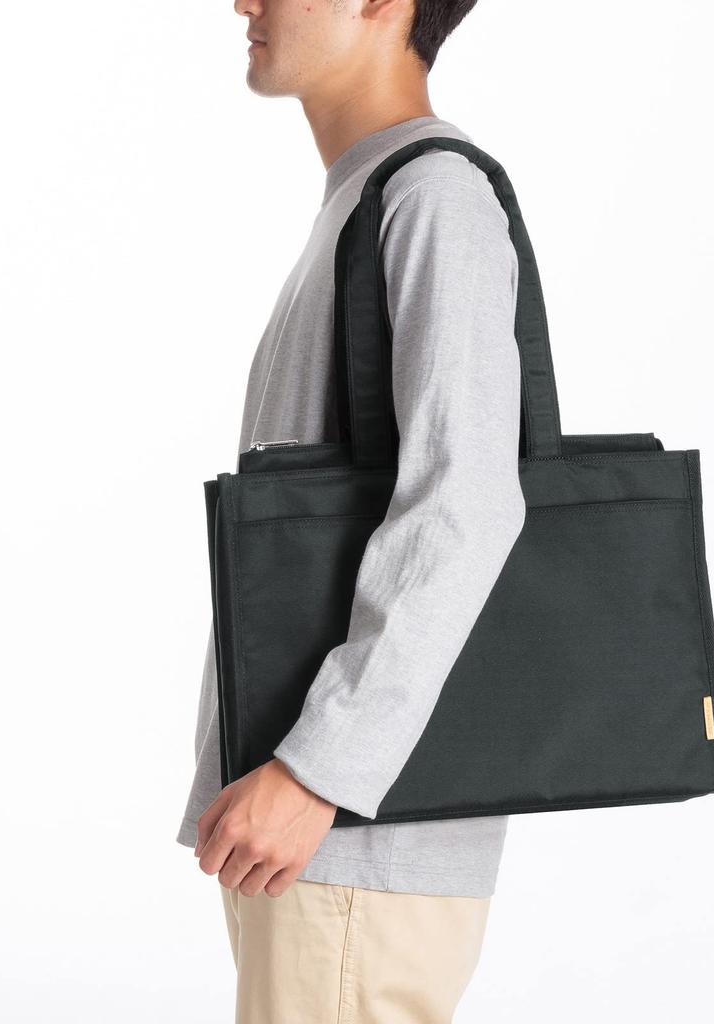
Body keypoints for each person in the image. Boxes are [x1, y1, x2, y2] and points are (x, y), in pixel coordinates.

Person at [177, 1, 528, 1019]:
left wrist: (316, 771)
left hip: (345, 834)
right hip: (317, 840)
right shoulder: (371, 198)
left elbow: (465, 503)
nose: (243, 2)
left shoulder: (432, 198)